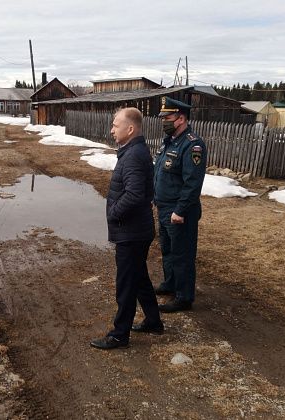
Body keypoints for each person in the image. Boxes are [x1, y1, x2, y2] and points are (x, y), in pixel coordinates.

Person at [90, 107, 164, 350]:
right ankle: (154, 321)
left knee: (126, 284)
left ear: (130, 129)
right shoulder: (134, 151)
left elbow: (134, 194)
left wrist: (113, 213)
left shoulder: (133, 155)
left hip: (131, 232)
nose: (111, 129)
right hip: (136, 230)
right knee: (139, 277)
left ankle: (119, 335)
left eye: (115, 125)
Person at [153, 97, 207, 312]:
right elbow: (159, 173)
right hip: (164, 207)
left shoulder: (193, 145)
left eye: (167, 117)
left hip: (179, 211)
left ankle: (184, 297)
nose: (164, 121)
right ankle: (171, 284)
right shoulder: (169, 141)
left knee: (182, 254)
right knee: (167, 250)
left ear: (181, 118)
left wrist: (180, 210)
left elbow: (192, 183)